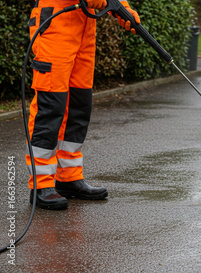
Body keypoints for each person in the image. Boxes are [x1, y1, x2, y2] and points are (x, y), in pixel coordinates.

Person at [26, 0, 141, 210]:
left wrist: (123, 8)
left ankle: (69, 177)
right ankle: (41, 185)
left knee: (79, 105)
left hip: (85, 26)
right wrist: (108, 3)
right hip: (55, 22)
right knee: (51, 106)